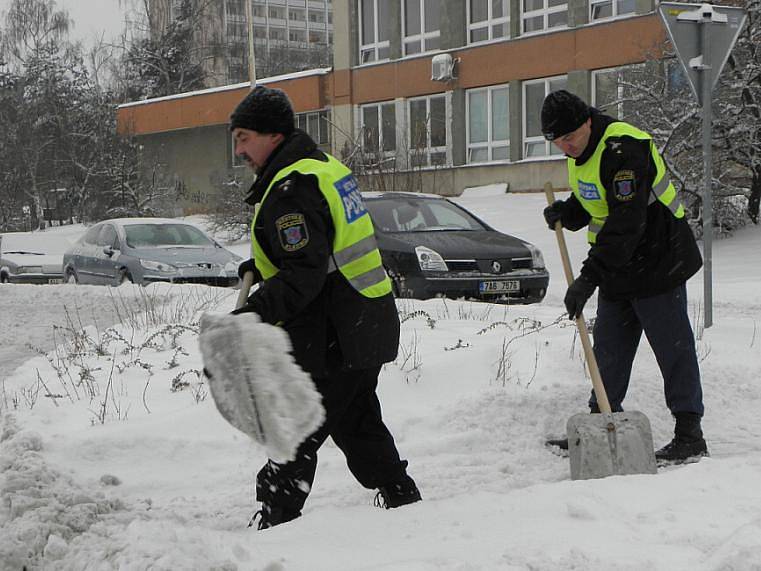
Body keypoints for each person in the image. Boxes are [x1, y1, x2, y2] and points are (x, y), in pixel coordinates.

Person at [228, 85, 421, 529]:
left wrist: (254, 313)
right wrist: (264, 261)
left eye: (243, 137)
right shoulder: (324, 168)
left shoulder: (291, 190)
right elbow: (321, 249)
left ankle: (274, 526)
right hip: (362, 322)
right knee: (357, 424)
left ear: (272, 135)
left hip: (334, 334)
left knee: (294, 431)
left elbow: (303, 273)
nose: (238, 149)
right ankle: (404, 502)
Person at [540, 89, 708, 463]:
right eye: (557, 142)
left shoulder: (624, 148)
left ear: (586, 121)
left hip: (657, 256)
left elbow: (626, 220)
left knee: (671, 346)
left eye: (569, 138)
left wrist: (587, 278)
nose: (565, 147)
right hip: (619, 264)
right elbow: (595, 201)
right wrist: (568, 213)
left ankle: (689, 433)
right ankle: (601, 422)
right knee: (610, 347)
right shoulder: (582, 151)